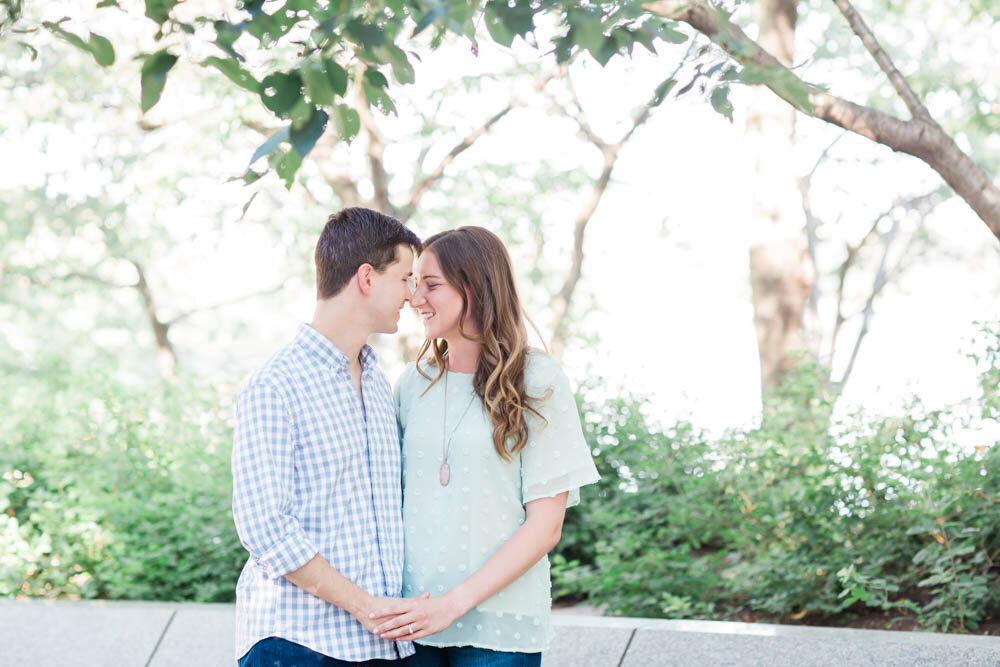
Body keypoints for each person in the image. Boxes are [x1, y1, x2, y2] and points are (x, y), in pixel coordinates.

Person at [373, 227, 600, 666]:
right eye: (415, 283)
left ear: (475, 286)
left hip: (500, 628)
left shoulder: (538, 380)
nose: (416, 298)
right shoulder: (412, 383)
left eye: (432, 284)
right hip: (412, 619)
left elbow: (545, 527)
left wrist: (452, 604)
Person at [231, 207, 421, 666]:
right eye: (405, 278)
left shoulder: (378, 382)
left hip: (380, 644)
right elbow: (265, 529)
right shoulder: (276, 385)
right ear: (367, 278)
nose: (413, 295)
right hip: (297, 643)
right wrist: (365, 605)